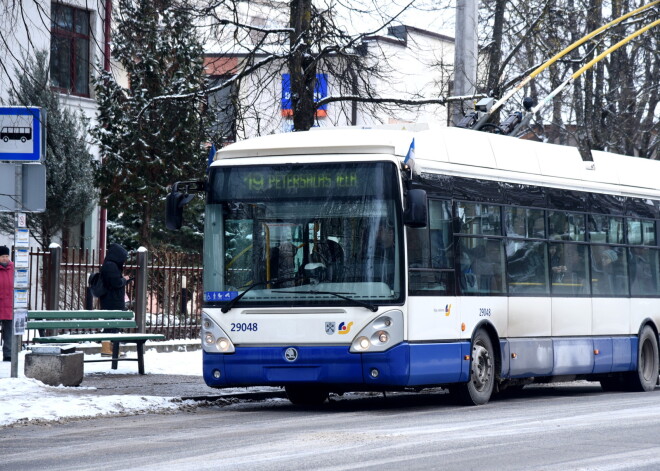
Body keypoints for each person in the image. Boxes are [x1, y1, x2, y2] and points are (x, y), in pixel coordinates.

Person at [99, 244, 131, 339]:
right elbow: (116, 283)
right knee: (111, 326)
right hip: (112, 300)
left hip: (112, 299)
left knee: (113, 326)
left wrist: (125, 280)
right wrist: (124, 280)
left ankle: (111, 347)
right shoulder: (111, 266)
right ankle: (108, 348)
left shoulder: (111, 265)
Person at [0, 246, 14, 361]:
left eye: (6, 256)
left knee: (8, 332)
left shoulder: (13, 268)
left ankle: (8, 354)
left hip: (9, 304)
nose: (5, 258)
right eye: (2, 256)